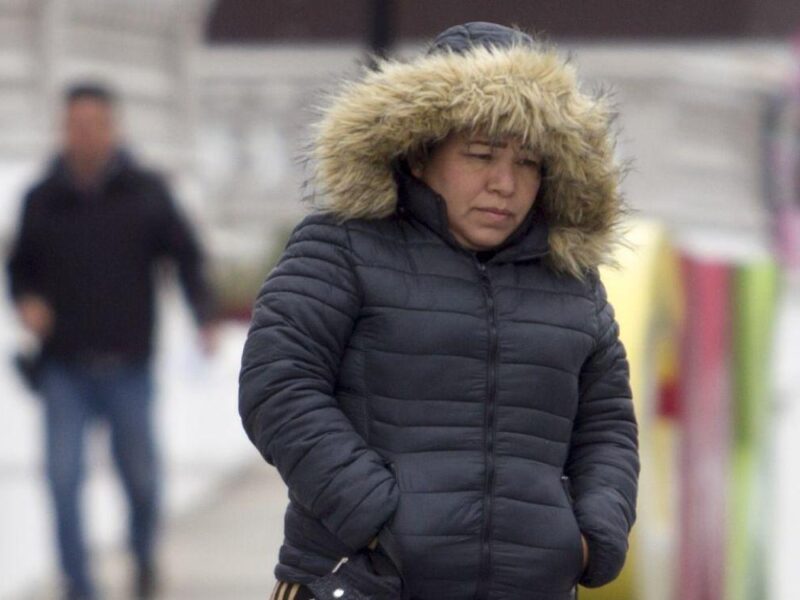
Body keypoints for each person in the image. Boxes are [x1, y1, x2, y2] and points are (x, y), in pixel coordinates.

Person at [239, 22, 639, 600]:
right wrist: (380, 519)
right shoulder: (343, 247)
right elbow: (277, 387)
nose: (504, 183)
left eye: (528, 162)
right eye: (480, 155)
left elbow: (607, 427)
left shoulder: (571, 282)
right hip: (364, 583)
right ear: (420, 155)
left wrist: (588, 538)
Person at [6, 82, 215, 600]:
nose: (84, 134)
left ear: (113, 127)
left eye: (94, 124)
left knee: (142, 482)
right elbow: (19, 266)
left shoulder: (145, 191)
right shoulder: (42, 197)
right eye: (74, 125)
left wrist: (202, 314)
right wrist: (28, 300)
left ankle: (143, 558)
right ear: (64, 129)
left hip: (128, 365)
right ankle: (79, 585)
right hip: (64, 368)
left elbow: (184, 254)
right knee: (62, 480)